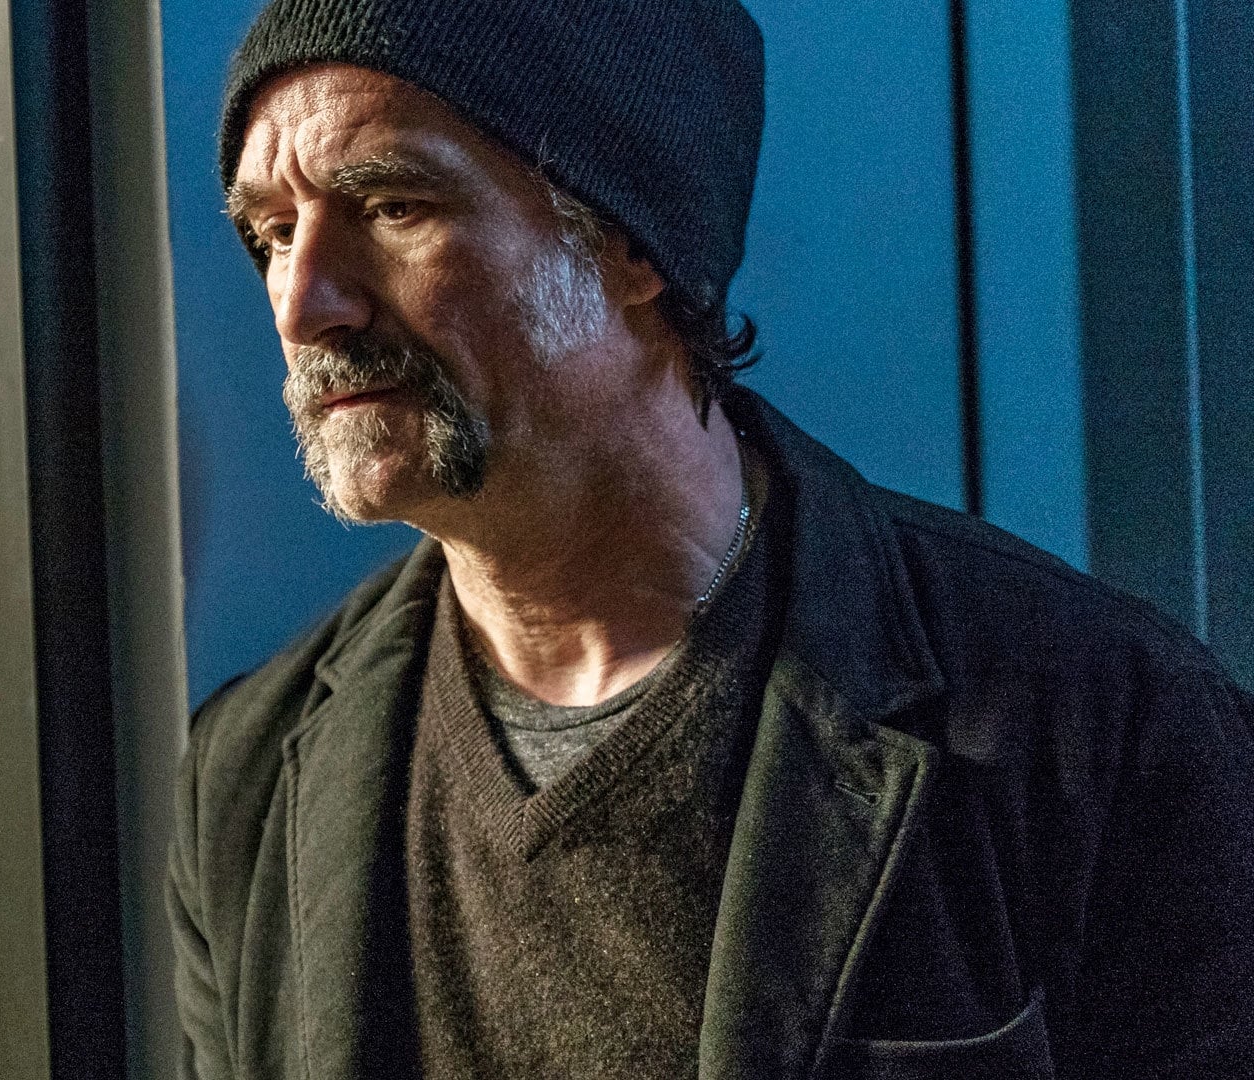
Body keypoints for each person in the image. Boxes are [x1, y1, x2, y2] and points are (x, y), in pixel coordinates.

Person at [166, 1, 1254, 1077]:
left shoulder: (1097, 725)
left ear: (633, 241)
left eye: (394, 206)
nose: (304, 304)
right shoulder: (247, 778)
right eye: (274, 232)